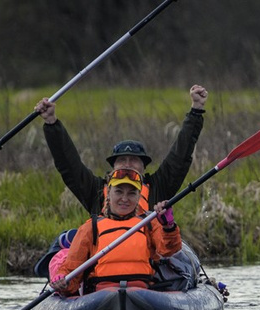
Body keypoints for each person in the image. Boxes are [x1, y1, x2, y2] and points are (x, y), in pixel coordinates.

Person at [37, 83, 207, 215]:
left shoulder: (159, 186)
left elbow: (181, 155)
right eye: (122, 160)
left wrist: (196, 111)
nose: (127, 165)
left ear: (144, 168)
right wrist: (51, 123)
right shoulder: (95, 191)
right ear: (113, 169)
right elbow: (68, 164)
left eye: (133, 160)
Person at [44, 172, 184, 297]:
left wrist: (168, 226)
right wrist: (63, 280)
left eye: (131, 193)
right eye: (119, 191)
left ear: (138, 196)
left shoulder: (149, 223)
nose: (125, 198)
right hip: (101, 296)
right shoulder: (90, 228)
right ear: (108, 193)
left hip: (143, 293)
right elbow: (72, 270)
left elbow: (169, 250)